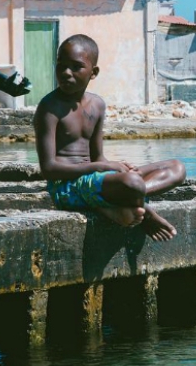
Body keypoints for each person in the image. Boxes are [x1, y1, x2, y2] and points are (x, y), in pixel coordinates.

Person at [33, 34, 186, 241]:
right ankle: (145, 210)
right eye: (61, 65)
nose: (66, 73)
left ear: (93, 72)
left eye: (76, 67)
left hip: (94, 179)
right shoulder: (49, 108)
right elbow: (49, 169)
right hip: (66, 187)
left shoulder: (97, 105)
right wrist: (102, 167)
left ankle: (121, 203)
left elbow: (98, 156)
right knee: (133, 183)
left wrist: (116, 167)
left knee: (177, 168)